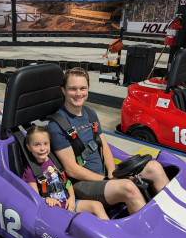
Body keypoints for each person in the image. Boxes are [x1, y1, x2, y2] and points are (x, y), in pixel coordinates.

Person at [47, 67, 169, 215]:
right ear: (63, 91)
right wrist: (106, 179)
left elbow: (103, 146)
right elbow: (72, 169)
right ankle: (145, 233)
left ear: (88, 89)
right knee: (128, 188)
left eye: (82, 88)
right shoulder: (57, 125)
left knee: (154, 167)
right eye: (73, 89)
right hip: (82, 184)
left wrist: (112, 173)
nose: (78, 93)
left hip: (104, 176)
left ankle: (171, 216)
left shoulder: (90, 113)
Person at [22, 125, 109, 220]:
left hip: (68, 203)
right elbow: (35, 198)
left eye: (45, 143)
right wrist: (48, 200)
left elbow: (67, 182)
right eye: (37, 145)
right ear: (29, 147)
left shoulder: (54, 160)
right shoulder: (31, 171)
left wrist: (71, 198)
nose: (42, 148)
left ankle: (111, 232)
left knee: (97, 205)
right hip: (53, 210)